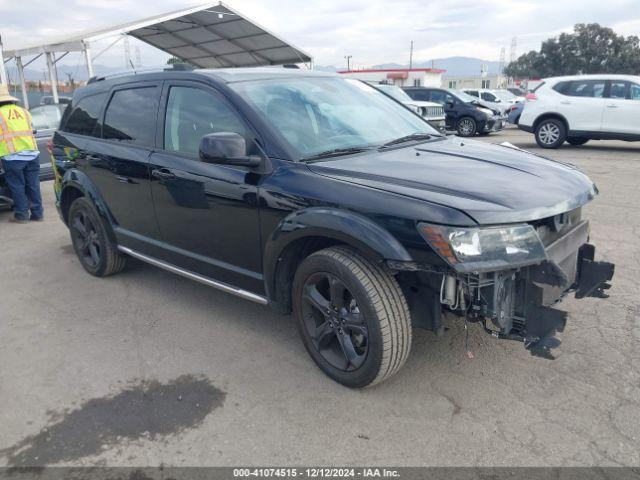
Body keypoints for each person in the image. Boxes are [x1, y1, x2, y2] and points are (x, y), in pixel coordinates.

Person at [0, 84, 43, 223]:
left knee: (17, 185)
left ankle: (21, 215)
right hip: (32, 153)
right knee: (33, 185)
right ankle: (38, 214)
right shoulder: (24, 111)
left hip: (13, 156)